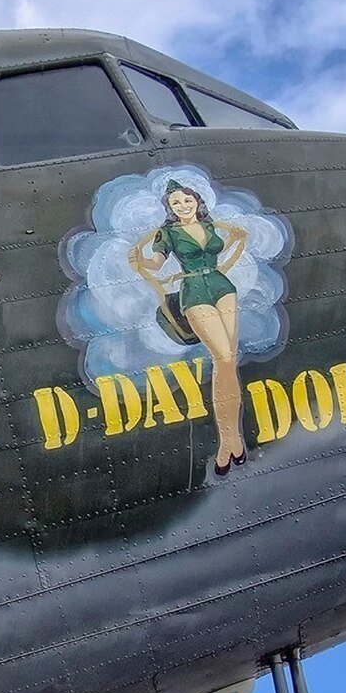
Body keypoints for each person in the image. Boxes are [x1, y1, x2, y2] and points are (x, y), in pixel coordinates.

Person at [129, 180, 250, 474]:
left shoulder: (210, 227)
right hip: (194, 291)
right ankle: (228, 442)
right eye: (176, 204)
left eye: (186, 200)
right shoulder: (167, 234)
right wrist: (139, 260)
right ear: (170, 210)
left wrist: (229, 258)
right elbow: (155, 264)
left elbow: (236, 238)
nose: (183, 206)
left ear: (196, 201)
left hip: (223, 287)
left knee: (228, 363)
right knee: (222, 359)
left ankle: (230, 440)